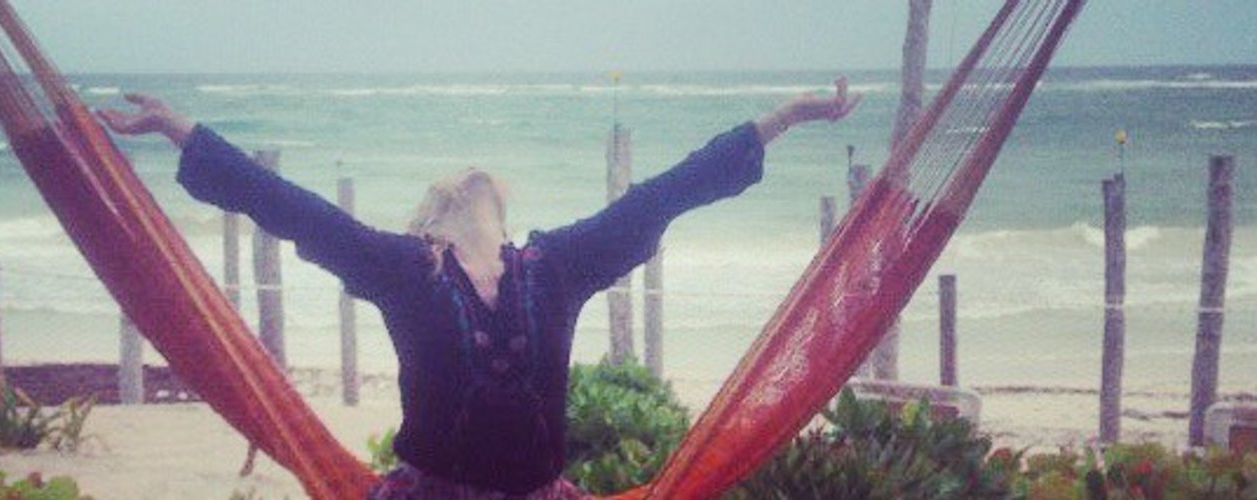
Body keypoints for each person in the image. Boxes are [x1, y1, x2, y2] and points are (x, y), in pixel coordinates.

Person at [97, 78, 860, 499]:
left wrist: (784, 117)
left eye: (479, 179)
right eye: (454, 184)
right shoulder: (404, 268)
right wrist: (183, 132)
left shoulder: (554, 265)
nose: (468, 181)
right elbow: (295, 210)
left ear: (501, 208)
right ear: (433, 216)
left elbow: (663, 196)